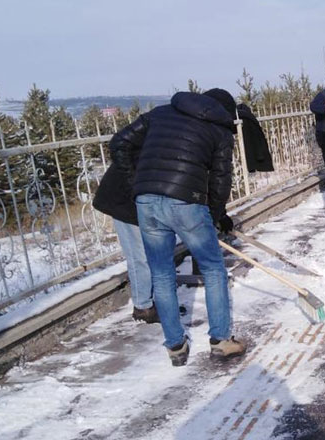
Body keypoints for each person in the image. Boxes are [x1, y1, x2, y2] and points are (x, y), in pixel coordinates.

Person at [114, 88, 246, 367]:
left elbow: (119, 142)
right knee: (213, 269)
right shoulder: (219, 130)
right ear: (222, 110)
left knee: (162, 274)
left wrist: (136, 184)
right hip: (187, 203)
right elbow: (221, 181)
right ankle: (221, 340)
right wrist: (213, 215)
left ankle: (175, 345)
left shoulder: (160, 113)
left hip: (146, 202)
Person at [92, 136, 157, 324]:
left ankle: (155, 301)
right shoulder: (159, 148)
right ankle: (143, 307)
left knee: (152, 253)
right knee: (140, 256)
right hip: (124, 200)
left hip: (142, 196)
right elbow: (118, 144)